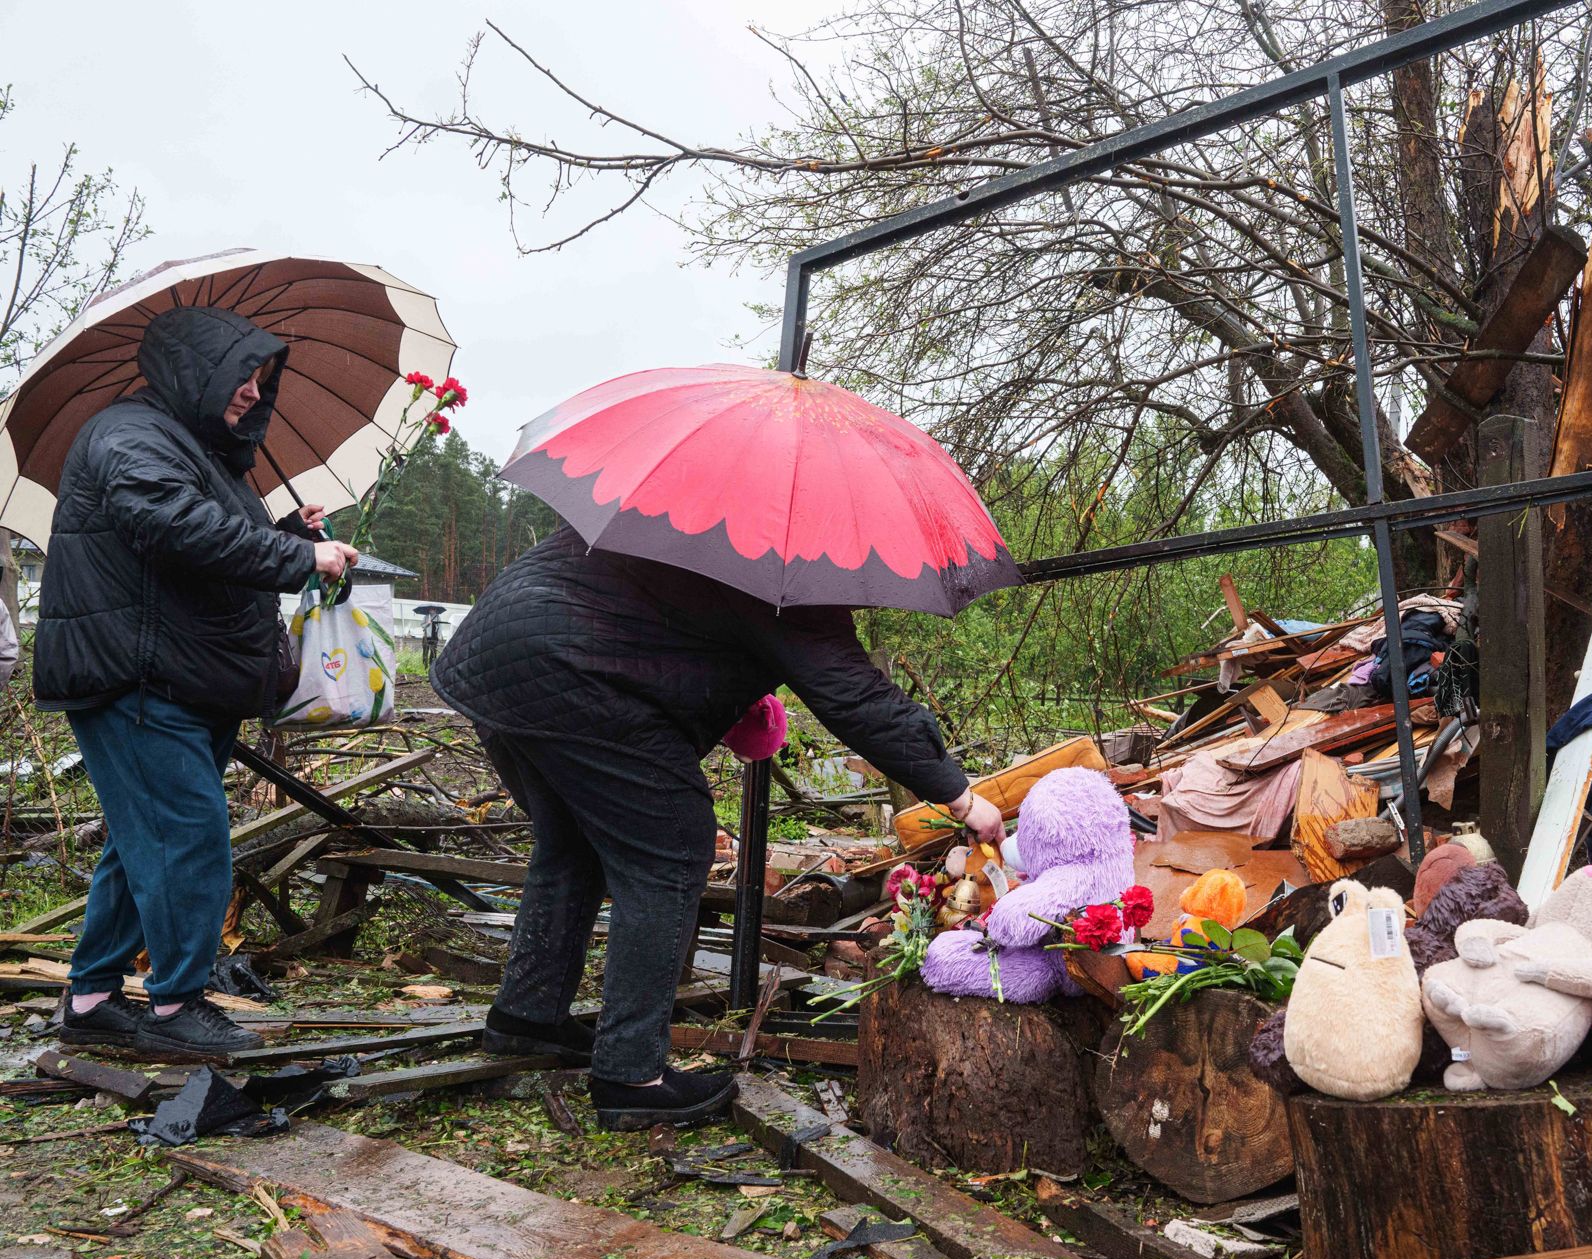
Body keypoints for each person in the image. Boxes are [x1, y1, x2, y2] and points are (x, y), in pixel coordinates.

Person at [433, 525, 1003, 1129]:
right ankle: (630, 1074)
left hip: (495, 653)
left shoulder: (707, 514)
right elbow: (855, 697)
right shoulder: (790, 559)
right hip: (574, 668)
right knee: (671, 849)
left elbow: (659, 617)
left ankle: (528, 1017)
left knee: (572, 844)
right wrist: (961, 797)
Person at [37, 307, 358, 1056]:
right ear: (197, 371)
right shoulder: (130, 434)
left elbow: (201, 554)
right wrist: (298, 559)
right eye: (242, 375)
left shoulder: (195, 449)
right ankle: (177, 1006)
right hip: (137, 677)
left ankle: (91, 997)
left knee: (143, 842)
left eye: (261, 379)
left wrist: (287, 535)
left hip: (182, 674)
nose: (253, 391)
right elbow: (171, 526)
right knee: (188, 838)